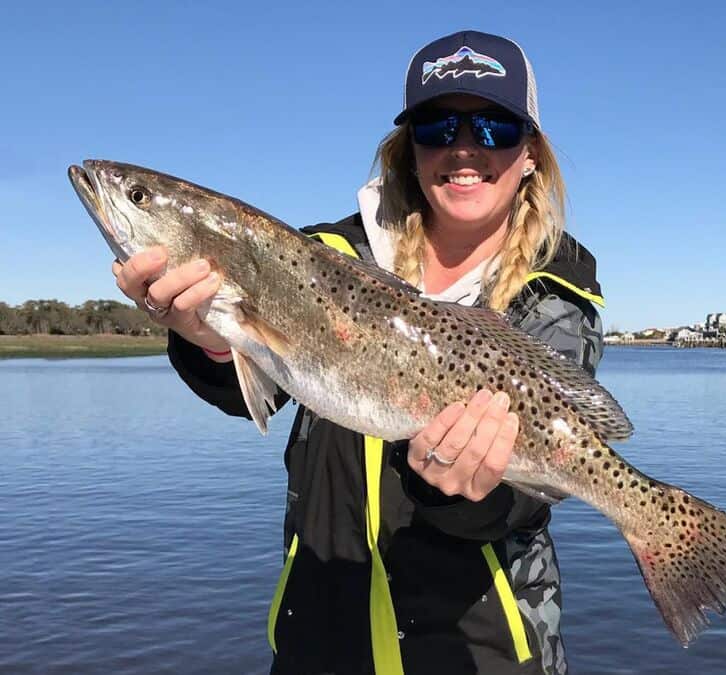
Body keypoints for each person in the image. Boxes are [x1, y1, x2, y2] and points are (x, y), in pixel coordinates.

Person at [113, 30, 605, 675]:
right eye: (436, 126)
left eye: (493, 128)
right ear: (408, 149)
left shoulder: (560, 286)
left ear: (532, 153)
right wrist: (206, 337)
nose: (463, 147)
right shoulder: (320, 254)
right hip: (323, 621)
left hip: (484, 645)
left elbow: (524, 500)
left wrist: (462, 491)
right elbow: (253, 389)